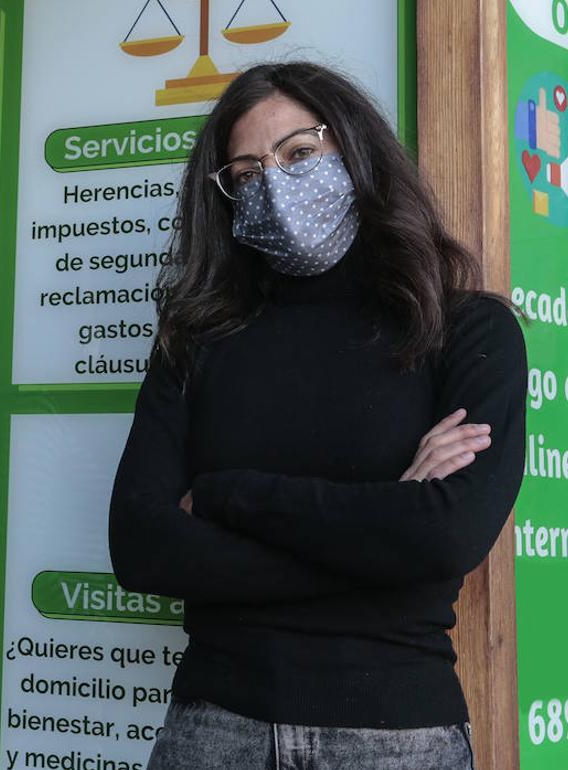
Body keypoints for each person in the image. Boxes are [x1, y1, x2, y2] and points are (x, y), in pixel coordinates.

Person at [109, 62, 525, 769]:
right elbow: (141, 547)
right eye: (244, 172)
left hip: (392, 738)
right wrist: (388, 525)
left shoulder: (465, 329)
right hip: (214, 731)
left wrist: (223, 495)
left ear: (357, 151)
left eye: (300, 153)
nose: (272, 181)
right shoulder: (196, 340)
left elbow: (446, 540)